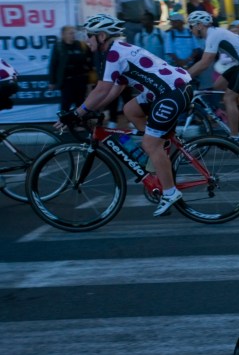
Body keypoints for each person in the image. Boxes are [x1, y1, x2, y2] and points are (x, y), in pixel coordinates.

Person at [67, 14, 193, 216]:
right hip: (164, 92)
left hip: (172, 92)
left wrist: (77, 112)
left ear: (101, 35)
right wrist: (94, 110)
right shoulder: (116, 51)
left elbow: (101, 89)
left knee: (149, 144)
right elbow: (115, 89)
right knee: (130, 109)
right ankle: (161, 144)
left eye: (88, 35)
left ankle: (170, 192)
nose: (86, 40)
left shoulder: (114, 53)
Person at [185, 10, 239, 136]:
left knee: (228, 98)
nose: (190, 29)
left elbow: (205, 62)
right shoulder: (213, 33)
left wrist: (184, 77)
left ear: (199, 25)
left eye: (191, 26)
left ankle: (235, 136)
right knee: (218, 86)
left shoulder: (213, 35)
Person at [47, 25, 93, 111]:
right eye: (70, 33)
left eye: (74, 33)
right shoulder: (58, 47)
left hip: (80, 80)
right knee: (65, 104)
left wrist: (90, 79)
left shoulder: (81, 45)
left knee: (81, 104)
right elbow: (53, 64)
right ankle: (64, 123)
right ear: (63, 35)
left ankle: (81, 123)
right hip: (66, 82)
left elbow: (91, 61)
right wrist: (52, 81)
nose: (73, 35)